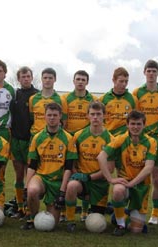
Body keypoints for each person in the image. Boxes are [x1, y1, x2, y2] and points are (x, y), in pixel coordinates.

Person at [97, 110, 156, 236]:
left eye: (139, 124)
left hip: (141, 186)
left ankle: (119, 214)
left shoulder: (151, 142)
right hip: (124, 183)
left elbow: (149, 168)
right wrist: (111, 180)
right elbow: (101, 157)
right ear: (127, 125)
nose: (135, 127)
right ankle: (120, 224)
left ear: (144, 125)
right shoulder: (120, 139)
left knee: (136, 231)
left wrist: (132, 183)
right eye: (133, 124)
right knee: (117, 190)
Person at [21, 103, 77, 230]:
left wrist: (62, 192)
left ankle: (51, 211)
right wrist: (26, 187)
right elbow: (32, 165)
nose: (52, 118)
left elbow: (68, 168)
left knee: (52, 223)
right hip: (41, 177)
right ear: (45, 117)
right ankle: (32, 218)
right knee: (32, 190)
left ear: (60, 117)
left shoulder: (69, 139)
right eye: (49, 115)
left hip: (57, 181)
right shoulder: (37, 138)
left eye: (55, 115)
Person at [65, 101, 115, 232]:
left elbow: (110, 169)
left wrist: (89, 177)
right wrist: (77, 175)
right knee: (71, 186)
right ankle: (70, 220)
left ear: (104, 116)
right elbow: (72, 162)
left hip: (100, 184)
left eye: (98, 114)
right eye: (92, 114)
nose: (95, 117)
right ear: (87, 116)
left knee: (97, 220)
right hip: (82, 182)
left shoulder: (111, 139)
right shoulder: (78, 136)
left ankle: (92, 210)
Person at [132, 60, 158, 225]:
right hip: (141, 140)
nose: (151, 73)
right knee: (138, 177)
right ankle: (137, 210)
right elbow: (134, 118)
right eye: (148, 70)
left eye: (154, 71)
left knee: (156, 178)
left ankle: (155, 214)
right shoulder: (137, 92)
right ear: (144, 72)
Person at [60, 70, 97, 222]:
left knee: (86, 169)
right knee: (67, 172)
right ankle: (63, 211)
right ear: (73, 81)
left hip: (85, 139)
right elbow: (63, 120)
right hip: (70, 139)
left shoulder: (93, 99)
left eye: (83, 79)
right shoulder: (65, 98)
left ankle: (84, 211)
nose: (80, 82)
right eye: (78, 79)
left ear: (87, 82)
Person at [9, 66, 38, 218]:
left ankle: (28, 207)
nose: (26, 79)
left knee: (30, 175)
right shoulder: (14, 95)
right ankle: (19, 206)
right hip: (16, 139)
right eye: (23, 77)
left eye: (28, 76)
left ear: (32, 77)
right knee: (19, 174)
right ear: (19, 79)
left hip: (30, 141)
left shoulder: (37, 96)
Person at [99, 67, 138, 136]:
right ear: (113, 80)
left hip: (126, 139)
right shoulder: (103, 99)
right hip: (109, 138)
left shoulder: (133, 99)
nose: (124, 84)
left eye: (126, 81)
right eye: (121, 81)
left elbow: (137, 120)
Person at [29, 68, 67, 135]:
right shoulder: (33, 99)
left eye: (50, 78)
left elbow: (64, 122)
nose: (47, 80)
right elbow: (31, 118)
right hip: (35, 135)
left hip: (53, 137)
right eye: (45, 78)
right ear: (41, 79)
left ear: (55, 79)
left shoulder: (61, 100)